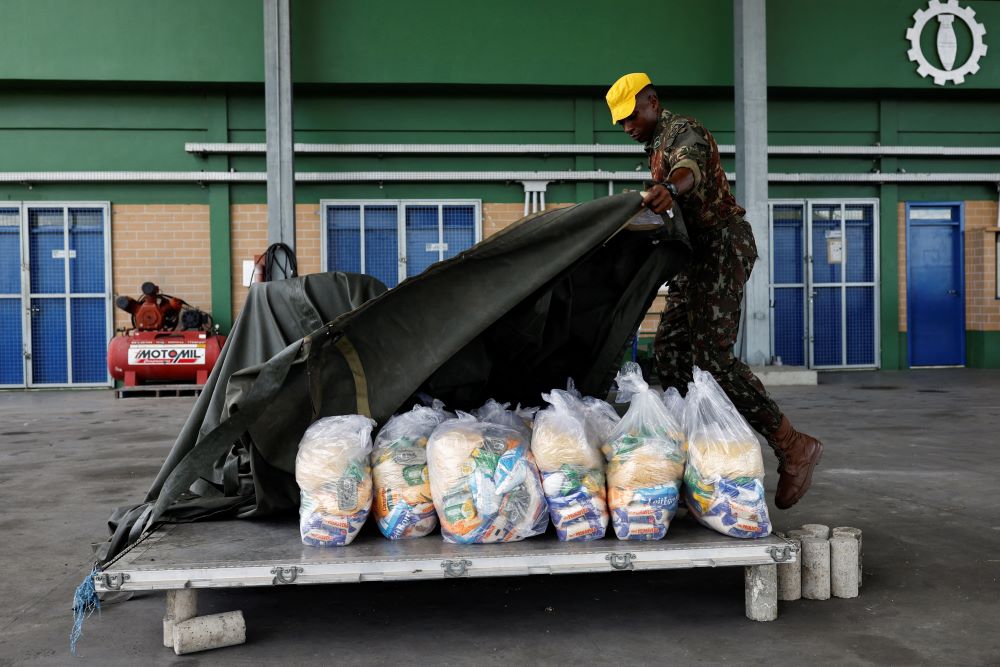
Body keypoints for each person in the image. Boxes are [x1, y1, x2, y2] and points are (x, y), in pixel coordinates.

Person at [606, 72, 822, 509]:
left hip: (721, 247)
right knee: (667, 354)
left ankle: (793, 444)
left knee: (713, 358)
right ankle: (687, 459)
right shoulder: (654, 149)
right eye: (620, 122)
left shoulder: (682, 132)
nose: (626, 126)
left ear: (651, 101)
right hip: (692, 258)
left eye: (630, 116)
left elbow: (691, 169)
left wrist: (669, 187)